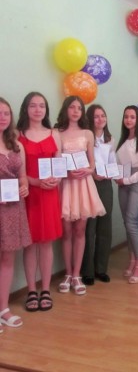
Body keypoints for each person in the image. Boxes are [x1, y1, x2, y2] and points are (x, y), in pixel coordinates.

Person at [55, 96, 105, 295]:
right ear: (66, 109)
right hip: (66, 185)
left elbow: (92, 164)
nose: (76, 111)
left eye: (79, 108)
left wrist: (87, 170)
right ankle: (68, 273)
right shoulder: (57, 133)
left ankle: (77, 275)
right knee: (66, 232)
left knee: (80, 230)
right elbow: (56, 162)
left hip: (83, 184)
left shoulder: (87, 133)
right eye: (72, 107)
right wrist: (66, 173)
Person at [17, 92, 62, 312]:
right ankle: (31, 290)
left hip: (50, 194)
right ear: (26, 109)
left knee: (46, 243)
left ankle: (45, 289)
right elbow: (18, 170)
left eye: (42, 106)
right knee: (30, 243)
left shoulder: (54, 133)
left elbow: (59, 165)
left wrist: (56, 179)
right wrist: (35, 182)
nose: (37, 110)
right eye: (33, 105)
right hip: (29, 194)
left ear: (46, 110)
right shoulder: (17, 135)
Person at [0, 97, 31, 331]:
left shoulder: (16, 144)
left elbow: (23, 176)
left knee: (8, 258)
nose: (2, 117)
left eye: (6, 113)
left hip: (12, 208)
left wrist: (24, 186)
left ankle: (3, 309)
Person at [116, 106, 138, 284]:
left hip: (136, 181)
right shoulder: (123, 139)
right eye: (126, 117)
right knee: (127, 222)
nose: (129, 120)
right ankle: (132, 259)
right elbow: (119, 162)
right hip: (123, 182)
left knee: (131, 221)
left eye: (132, 117)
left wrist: (128, 180)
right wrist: (117, 176)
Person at [81, 104, 116, 286]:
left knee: (105, 227)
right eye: (96, 116)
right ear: (90, 119)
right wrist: (93, 174)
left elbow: (112, 161)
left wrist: (111, 172)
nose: (100, 119)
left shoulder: (110, 139)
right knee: (89, 227)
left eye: (103, 115)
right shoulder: (86, 138)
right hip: (89, 183)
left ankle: (101, 268)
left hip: (105, 184)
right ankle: (87, 271)